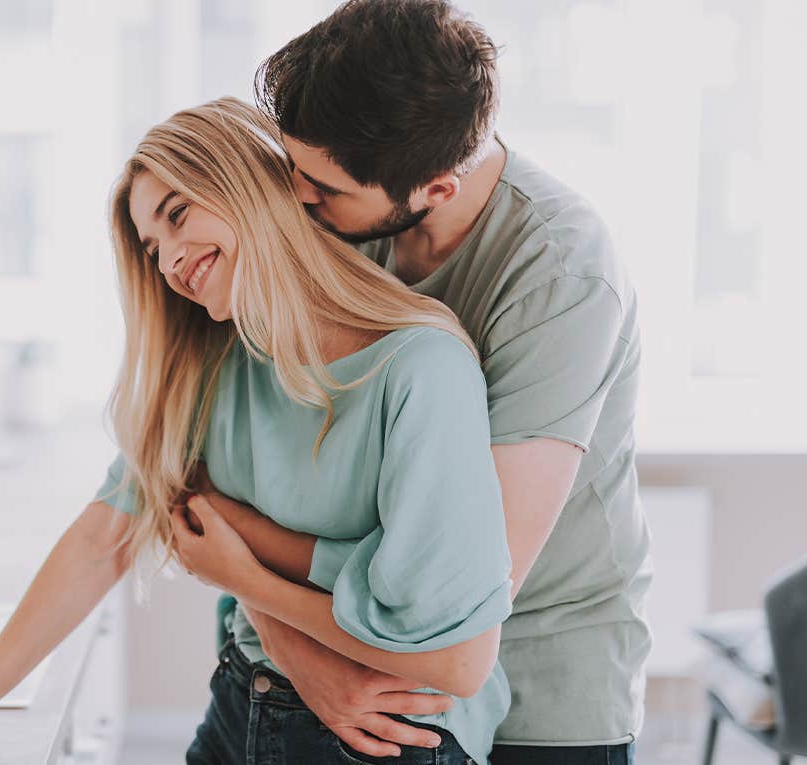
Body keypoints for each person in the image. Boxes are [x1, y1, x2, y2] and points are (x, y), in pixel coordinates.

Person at [0, 97, 513, 765]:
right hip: (241, 704)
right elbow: (102, 540)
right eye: (153, 248)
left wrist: (244, 575)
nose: (170, 261)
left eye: (178, 215)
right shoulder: (211, 366)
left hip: (387, 743)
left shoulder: (420, 367)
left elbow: (458, 659)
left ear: (248, 186)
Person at [212, 2, 651, 763]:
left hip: (543, 692)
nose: (295, 198)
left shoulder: (561, 275)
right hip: (353, 648)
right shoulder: (343, 217)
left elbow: (462, 588)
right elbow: (238, 473)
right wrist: (290, 640)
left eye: (325, 185)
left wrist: (240, 570)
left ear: (439, 188)